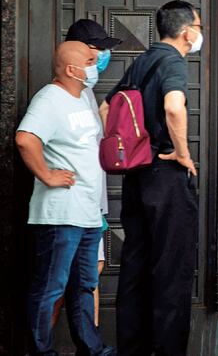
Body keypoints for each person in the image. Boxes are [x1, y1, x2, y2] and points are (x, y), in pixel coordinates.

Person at [101, 0, 202, 356]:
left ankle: (132, 349)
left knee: (136, 265)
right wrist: (183, 154)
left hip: (137, 176)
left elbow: (105, 108)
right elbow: (174, 106)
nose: (199, 34)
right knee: (171, 270)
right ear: (186, 30)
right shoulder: (172, 61)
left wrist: (130, 148)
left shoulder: (141, 61)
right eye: (199, 27)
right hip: (165, 174)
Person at [16, 41, 114, 356]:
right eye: (89, 59)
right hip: (60, 215)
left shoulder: (81, 99)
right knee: (50, 288)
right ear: (72, 69)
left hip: (86, 214)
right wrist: (46, 175)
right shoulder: (50, 99)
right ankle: (40, 351)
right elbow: (25, 138)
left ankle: (91, 348)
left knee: (84, 286)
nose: (96, 63)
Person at [60, 19, 122, 326]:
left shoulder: (87, 93)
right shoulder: (60, 96)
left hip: (90, 204)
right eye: (97, 50)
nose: (102, 58)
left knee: (91, 271)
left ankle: (90, 343)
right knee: (59, 282)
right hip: (72, 205)